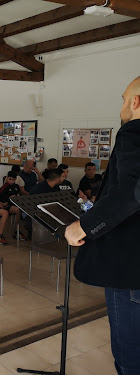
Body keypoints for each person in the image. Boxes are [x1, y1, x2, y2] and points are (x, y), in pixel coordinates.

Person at [65, 76, 140, 375]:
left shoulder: (134, 131)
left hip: (131, 267)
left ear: (135, 102)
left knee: (130, 357)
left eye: (124, 99)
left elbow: (130, 192)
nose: (121, 106)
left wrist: (83, 226)